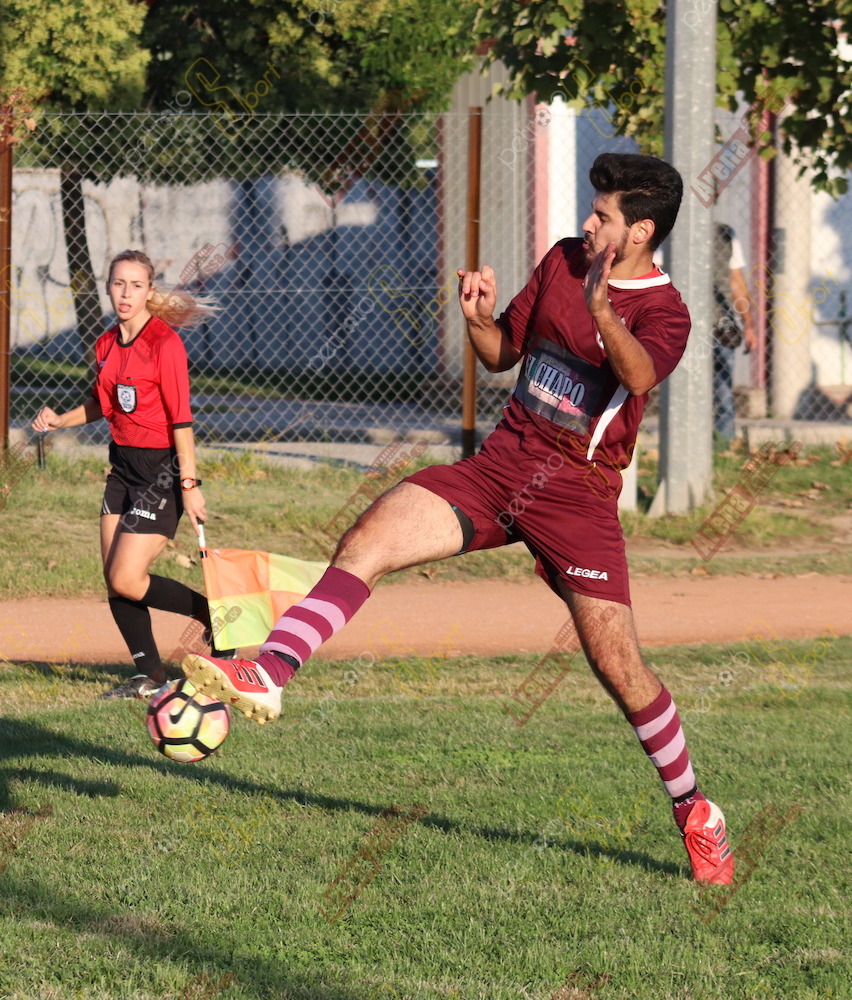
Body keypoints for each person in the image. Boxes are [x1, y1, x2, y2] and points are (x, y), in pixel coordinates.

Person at [179, 153, 735, 885]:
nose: (587, 221)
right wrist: (476, 320)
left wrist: (604, 310)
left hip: (576, 496)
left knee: (618, 666)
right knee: (369, 537)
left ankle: (695, 810)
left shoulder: (666, 311)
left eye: (602, 215)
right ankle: (270, 670)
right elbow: (503, 353)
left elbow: (638, 376)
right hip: (500, 467)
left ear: (640, 232)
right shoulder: (564, 260)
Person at [31, 249, 229, 700]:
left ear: (149, 291)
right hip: (122, 468)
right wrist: (60, 420)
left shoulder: (165, 344)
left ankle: (209, 614)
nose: (125, 293)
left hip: (161, 472)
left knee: (127, 577)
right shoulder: (105, 344)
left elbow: (182, 420)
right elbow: (104, 404)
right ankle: (151, 676)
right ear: (108, 286)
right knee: (114, 578)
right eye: (118, 283)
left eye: (136, 285)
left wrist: (189, 485)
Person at [712, 222, 757, 441]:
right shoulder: (671, 230)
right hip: (684, 321)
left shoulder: (726, 234)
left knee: (723, 388)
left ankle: (724, 441)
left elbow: (736, 283)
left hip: (722, 322)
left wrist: (748, 325)